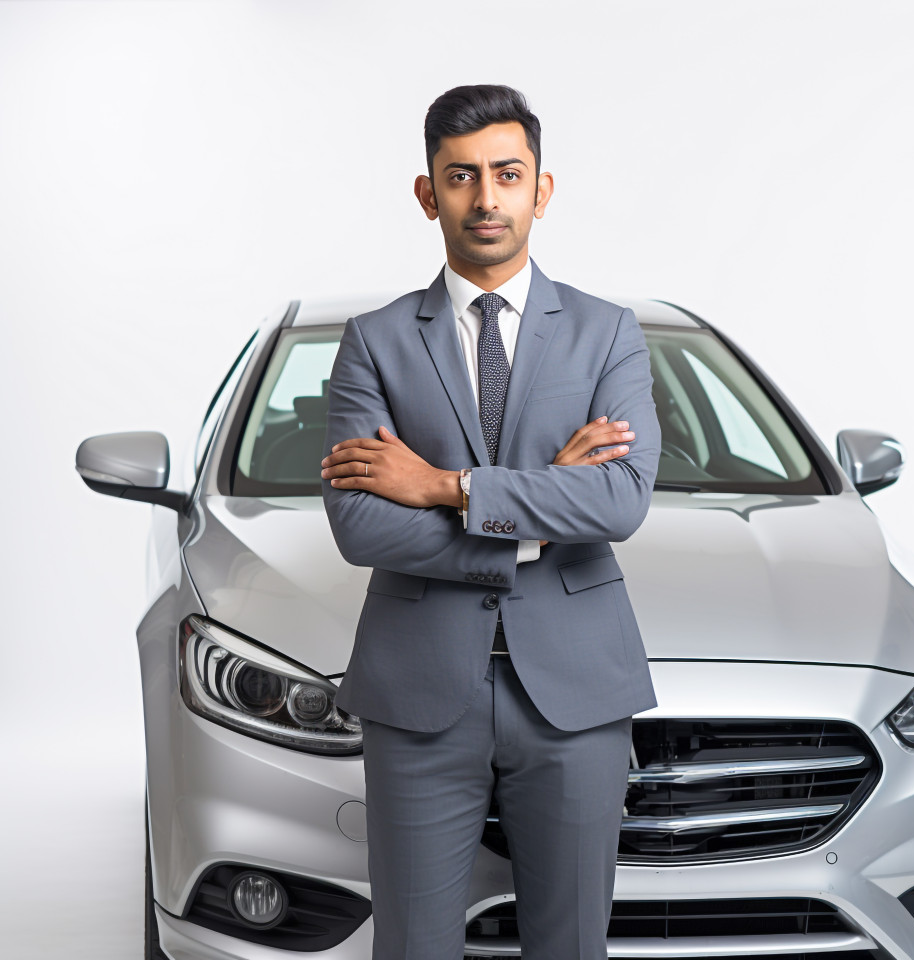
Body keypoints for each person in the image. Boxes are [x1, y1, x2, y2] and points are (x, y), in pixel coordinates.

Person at [319, 84, 661, 960]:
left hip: (577, 692)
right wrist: (543, 513)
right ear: (429, 194)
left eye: (507, 175)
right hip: (419, 691)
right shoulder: (374, 341)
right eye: (462, 177)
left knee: (571, 945)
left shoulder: (608, 332)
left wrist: (444, 486)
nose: (487, 198)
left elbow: (619, 500)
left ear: (541, 189)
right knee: (413, 947)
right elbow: (360, 526)